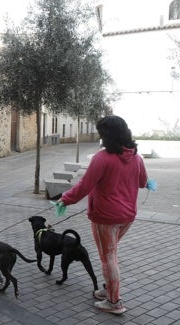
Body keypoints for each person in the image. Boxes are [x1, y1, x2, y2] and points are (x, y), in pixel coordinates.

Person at [58, 115, 149, 315]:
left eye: (101, 133)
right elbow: (143, 182)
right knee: (110, 254)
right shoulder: (137, 157)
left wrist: (65, 199)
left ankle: (114, 302)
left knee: (109, 257)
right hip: (127, 217)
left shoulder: (102, 158)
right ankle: (109, 290)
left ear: (108, 135)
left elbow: (85, 185)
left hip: (105, 216)